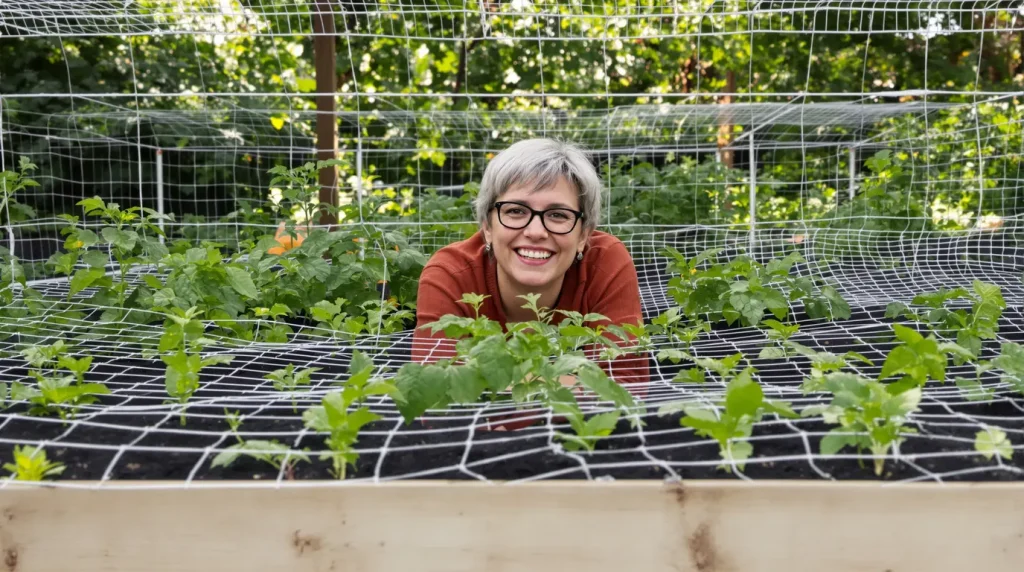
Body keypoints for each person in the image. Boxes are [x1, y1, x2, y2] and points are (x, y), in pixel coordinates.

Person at [412, 138, 649, 402]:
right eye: (515, 211)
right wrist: (571, 384)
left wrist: (490, 389)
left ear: (583, 235)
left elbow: (627, 385)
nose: (535, 232)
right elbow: (434, 393)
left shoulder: (605, 264)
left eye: (558, 215)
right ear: (487, 227)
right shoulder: (450, 275)